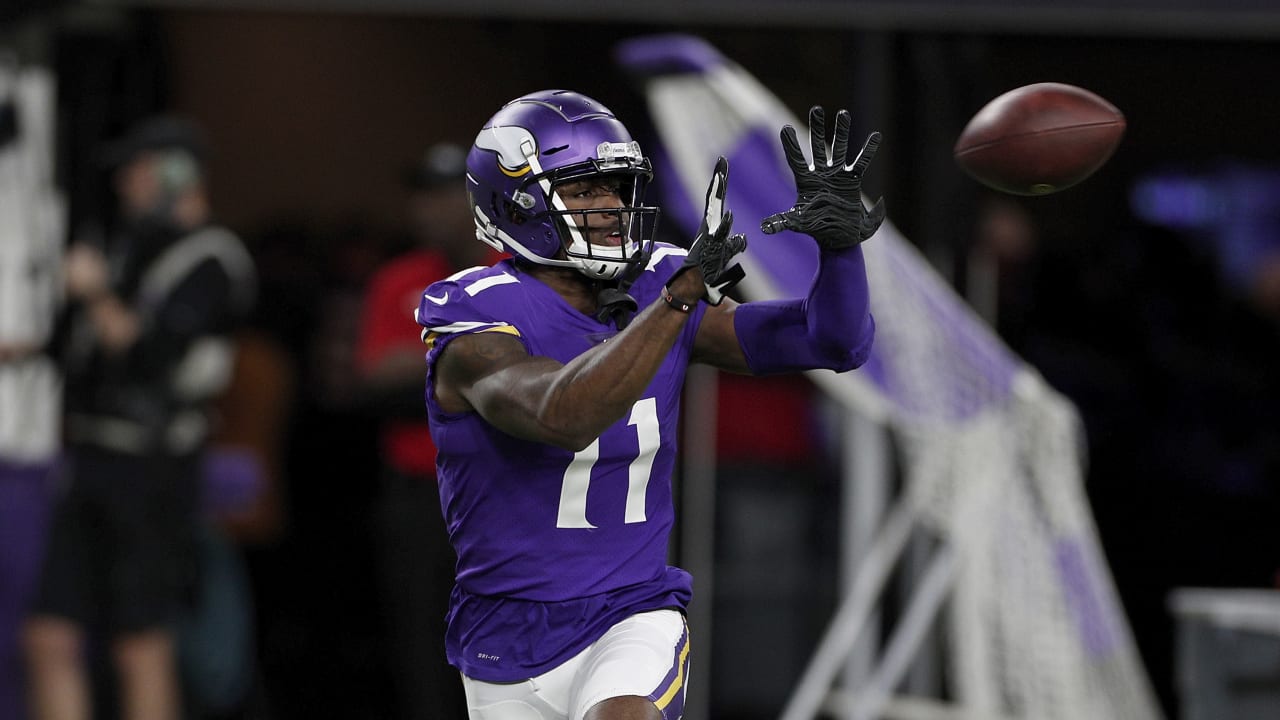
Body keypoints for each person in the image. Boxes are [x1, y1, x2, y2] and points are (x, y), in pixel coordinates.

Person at [415, 89, 884, 720]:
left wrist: (840, 251)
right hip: (502, 638)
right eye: (584, 192)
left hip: (628, 613)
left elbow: (833, 340)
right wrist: (677, 301)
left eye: (615, 187)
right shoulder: (474, 311)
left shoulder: (660, 280)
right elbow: (562, 416)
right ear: (517, 200)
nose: (610, 208)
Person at [22, 115, 255, 720]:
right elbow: (75, 351)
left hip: (154, 467)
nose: (126, 183)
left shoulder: (212, 260)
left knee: (139, 639)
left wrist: (97, 294)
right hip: (92, 457)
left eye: (139, 169)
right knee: (50, 634)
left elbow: (152, 356)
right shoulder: (127, 246)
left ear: (179, 172)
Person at [356, 143, 498, 720]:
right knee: (419, 638)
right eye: (423, 195)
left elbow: (531, 368)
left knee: (493, 639)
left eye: (445, 195)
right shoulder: (398, 279)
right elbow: (372, 376)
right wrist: (469, 355)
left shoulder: (507, 271)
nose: (429, 210)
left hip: (494, 488)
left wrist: (427, 358)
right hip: (416, 487)